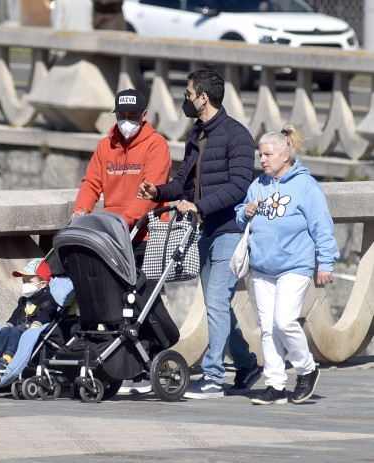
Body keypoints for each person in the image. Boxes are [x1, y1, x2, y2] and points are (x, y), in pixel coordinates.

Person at [138, 69, 260, 399]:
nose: (185, 100)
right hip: (203, 232)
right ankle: (248, 364)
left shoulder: (237, 135)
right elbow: (183, 183)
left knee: (217, 303)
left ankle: (212, 378)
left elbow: (239, 187)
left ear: (203, 97)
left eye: (188, 94)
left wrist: (199, 207)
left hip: (229, 231)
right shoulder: (197, 134)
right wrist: (158, 192)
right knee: (217, 304)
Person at [71, 88, 170, 394]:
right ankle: (122, 363)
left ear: (144, 116)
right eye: (121, 116)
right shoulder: (106, 146)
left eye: (132, 116)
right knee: (116, 305)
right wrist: (81, 210)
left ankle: (150, 362)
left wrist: (122, 221)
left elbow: (151, 192)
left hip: (145, 234)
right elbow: (92, 183)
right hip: (115, 237)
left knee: (144, 301)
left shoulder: (156, 146)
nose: (126, 121)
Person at [236, 126, 338, 405]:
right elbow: (240, 217)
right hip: (262, 267)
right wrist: (244, 213)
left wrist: (325, 262)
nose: (263, 160)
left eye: (268, 154)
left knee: (284, 321)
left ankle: (307, 368)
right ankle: (275, 385)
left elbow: (321, 227)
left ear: (285, 154)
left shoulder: (306, 186)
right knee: (267, 328)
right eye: (261, 154)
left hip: (295, 265)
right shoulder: (259, 184)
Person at [0, 258, 58, 372]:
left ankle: (7, 359)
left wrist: (37, 323)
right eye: (24, 281)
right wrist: (9, 323)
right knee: (4, 330)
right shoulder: (23, 300)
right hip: (20, 327)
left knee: (16, 331)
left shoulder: (47, 299)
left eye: (29, 282)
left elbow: (49, 311)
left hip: (32, 330)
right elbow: (15, 315)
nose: (25, 284)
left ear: (43, 284)